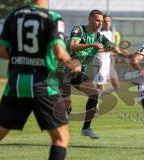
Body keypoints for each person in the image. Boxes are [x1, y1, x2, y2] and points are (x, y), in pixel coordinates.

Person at [0, 0, 81, 160]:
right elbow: (59, 51)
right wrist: (74, 65)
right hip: (44, 85)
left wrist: (20, 57)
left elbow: (1, 50)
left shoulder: (14, 15)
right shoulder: (53, 18)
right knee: (61, 137)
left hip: (16, 84)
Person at [57, 10, 125, 139]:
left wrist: (129, 55)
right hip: (64, 71)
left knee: (94, 94)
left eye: (101, 21)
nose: (100, 23)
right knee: (67, 106)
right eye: (97, 20)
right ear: (90, 19)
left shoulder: (100, 37)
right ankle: (60, 132)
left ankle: (86, 128)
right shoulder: (79, 30)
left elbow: (114, 48)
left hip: (79, 73)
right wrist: (91, 44)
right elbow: (72, 46)